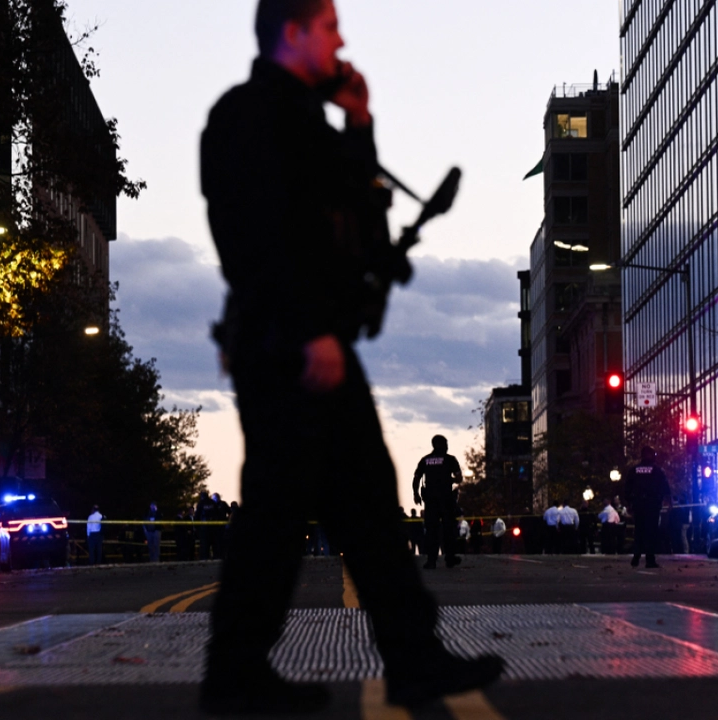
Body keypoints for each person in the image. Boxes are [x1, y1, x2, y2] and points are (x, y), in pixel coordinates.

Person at [198, 1, 503, 713]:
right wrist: (311, 331)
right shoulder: (247, 116)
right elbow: (254, 239)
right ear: (295, 32)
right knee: (281, 510)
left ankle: (409, 657)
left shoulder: (312, 126)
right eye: (331, 25)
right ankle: (237, 672)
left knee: (365, 503)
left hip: (314, 339)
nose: (343, 39)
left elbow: (362, 225)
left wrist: (360, 122)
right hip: (291, 344)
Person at [412, 435, 464, 569]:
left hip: (430, 501)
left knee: (431, 531)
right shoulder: (450, 459)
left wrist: (416, 494)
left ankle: (431, 560)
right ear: (443, 445)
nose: (447, 446)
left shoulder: (425, 460)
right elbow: (459, 478)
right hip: (446, 500)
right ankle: (450, 558)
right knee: (449, 529)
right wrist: (450, 480)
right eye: (446, 443)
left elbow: (417, 478)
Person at [625, 446, 672, 568]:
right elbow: (665, 486)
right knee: (651, 532)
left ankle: (636, 557)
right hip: (652, 505)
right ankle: (649, 560)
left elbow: (627, 488)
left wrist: (629, 503)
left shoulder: (634, 470)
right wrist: (668, 501)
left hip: (638, 505)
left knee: (639, 531)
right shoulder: (657, 470)